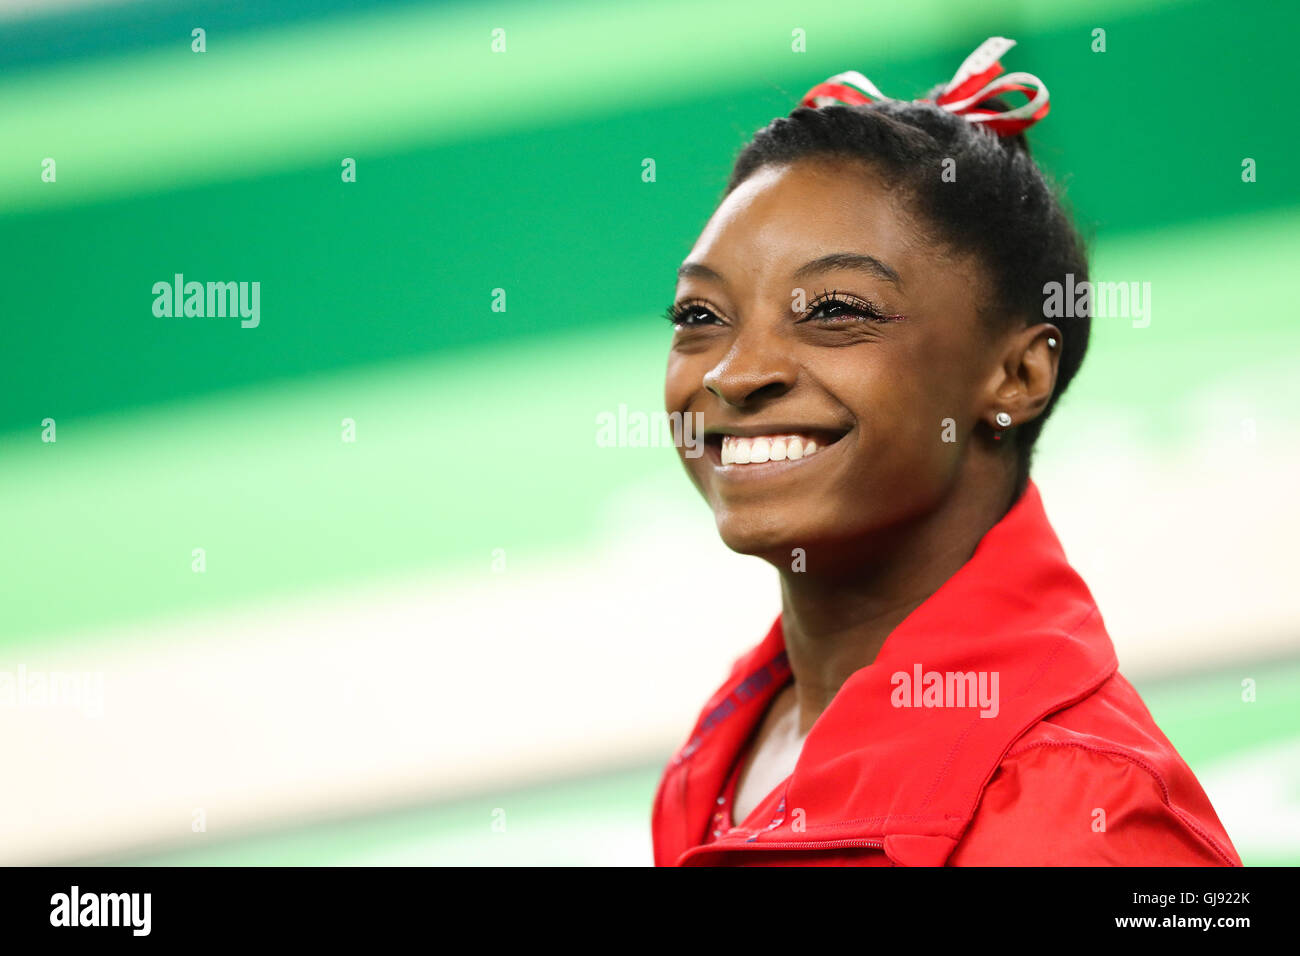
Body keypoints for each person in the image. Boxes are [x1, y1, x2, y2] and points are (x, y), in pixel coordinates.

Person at [652, 38, 1241, 866]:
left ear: (1017, 374)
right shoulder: (737, 736)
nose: (736, 373)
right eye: (701, 317)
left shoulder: (1082, 814)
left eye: (834, 309)